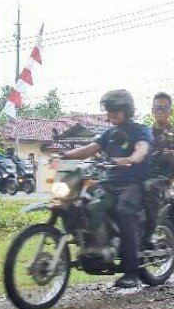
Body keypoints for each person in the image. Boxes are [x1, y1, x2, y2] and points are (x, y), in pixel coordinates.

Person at [61, 89, 152, 289]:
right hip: (109, 183)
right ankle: (93, 246)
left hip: (133, 184)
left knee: (124, 211)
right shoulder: (108, 134)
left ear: (126, 110)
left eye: (115, 110)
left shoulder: (140, 130)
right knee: (82, 203)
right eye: (109, 110)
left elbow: (141, 150)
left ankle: (131, 272)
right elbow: (88, 149)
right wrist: (64, 155)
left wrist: (130, 159)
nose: (111, 114)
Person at [143, 92, 174, 241]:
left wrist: (173, 156)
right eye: (158, 108)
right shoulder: (144, 135)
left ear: (171, 112)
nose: (161, 111)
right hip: (142, 180)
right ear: (152, 110)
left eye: (165, 108)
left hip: (165, 184)